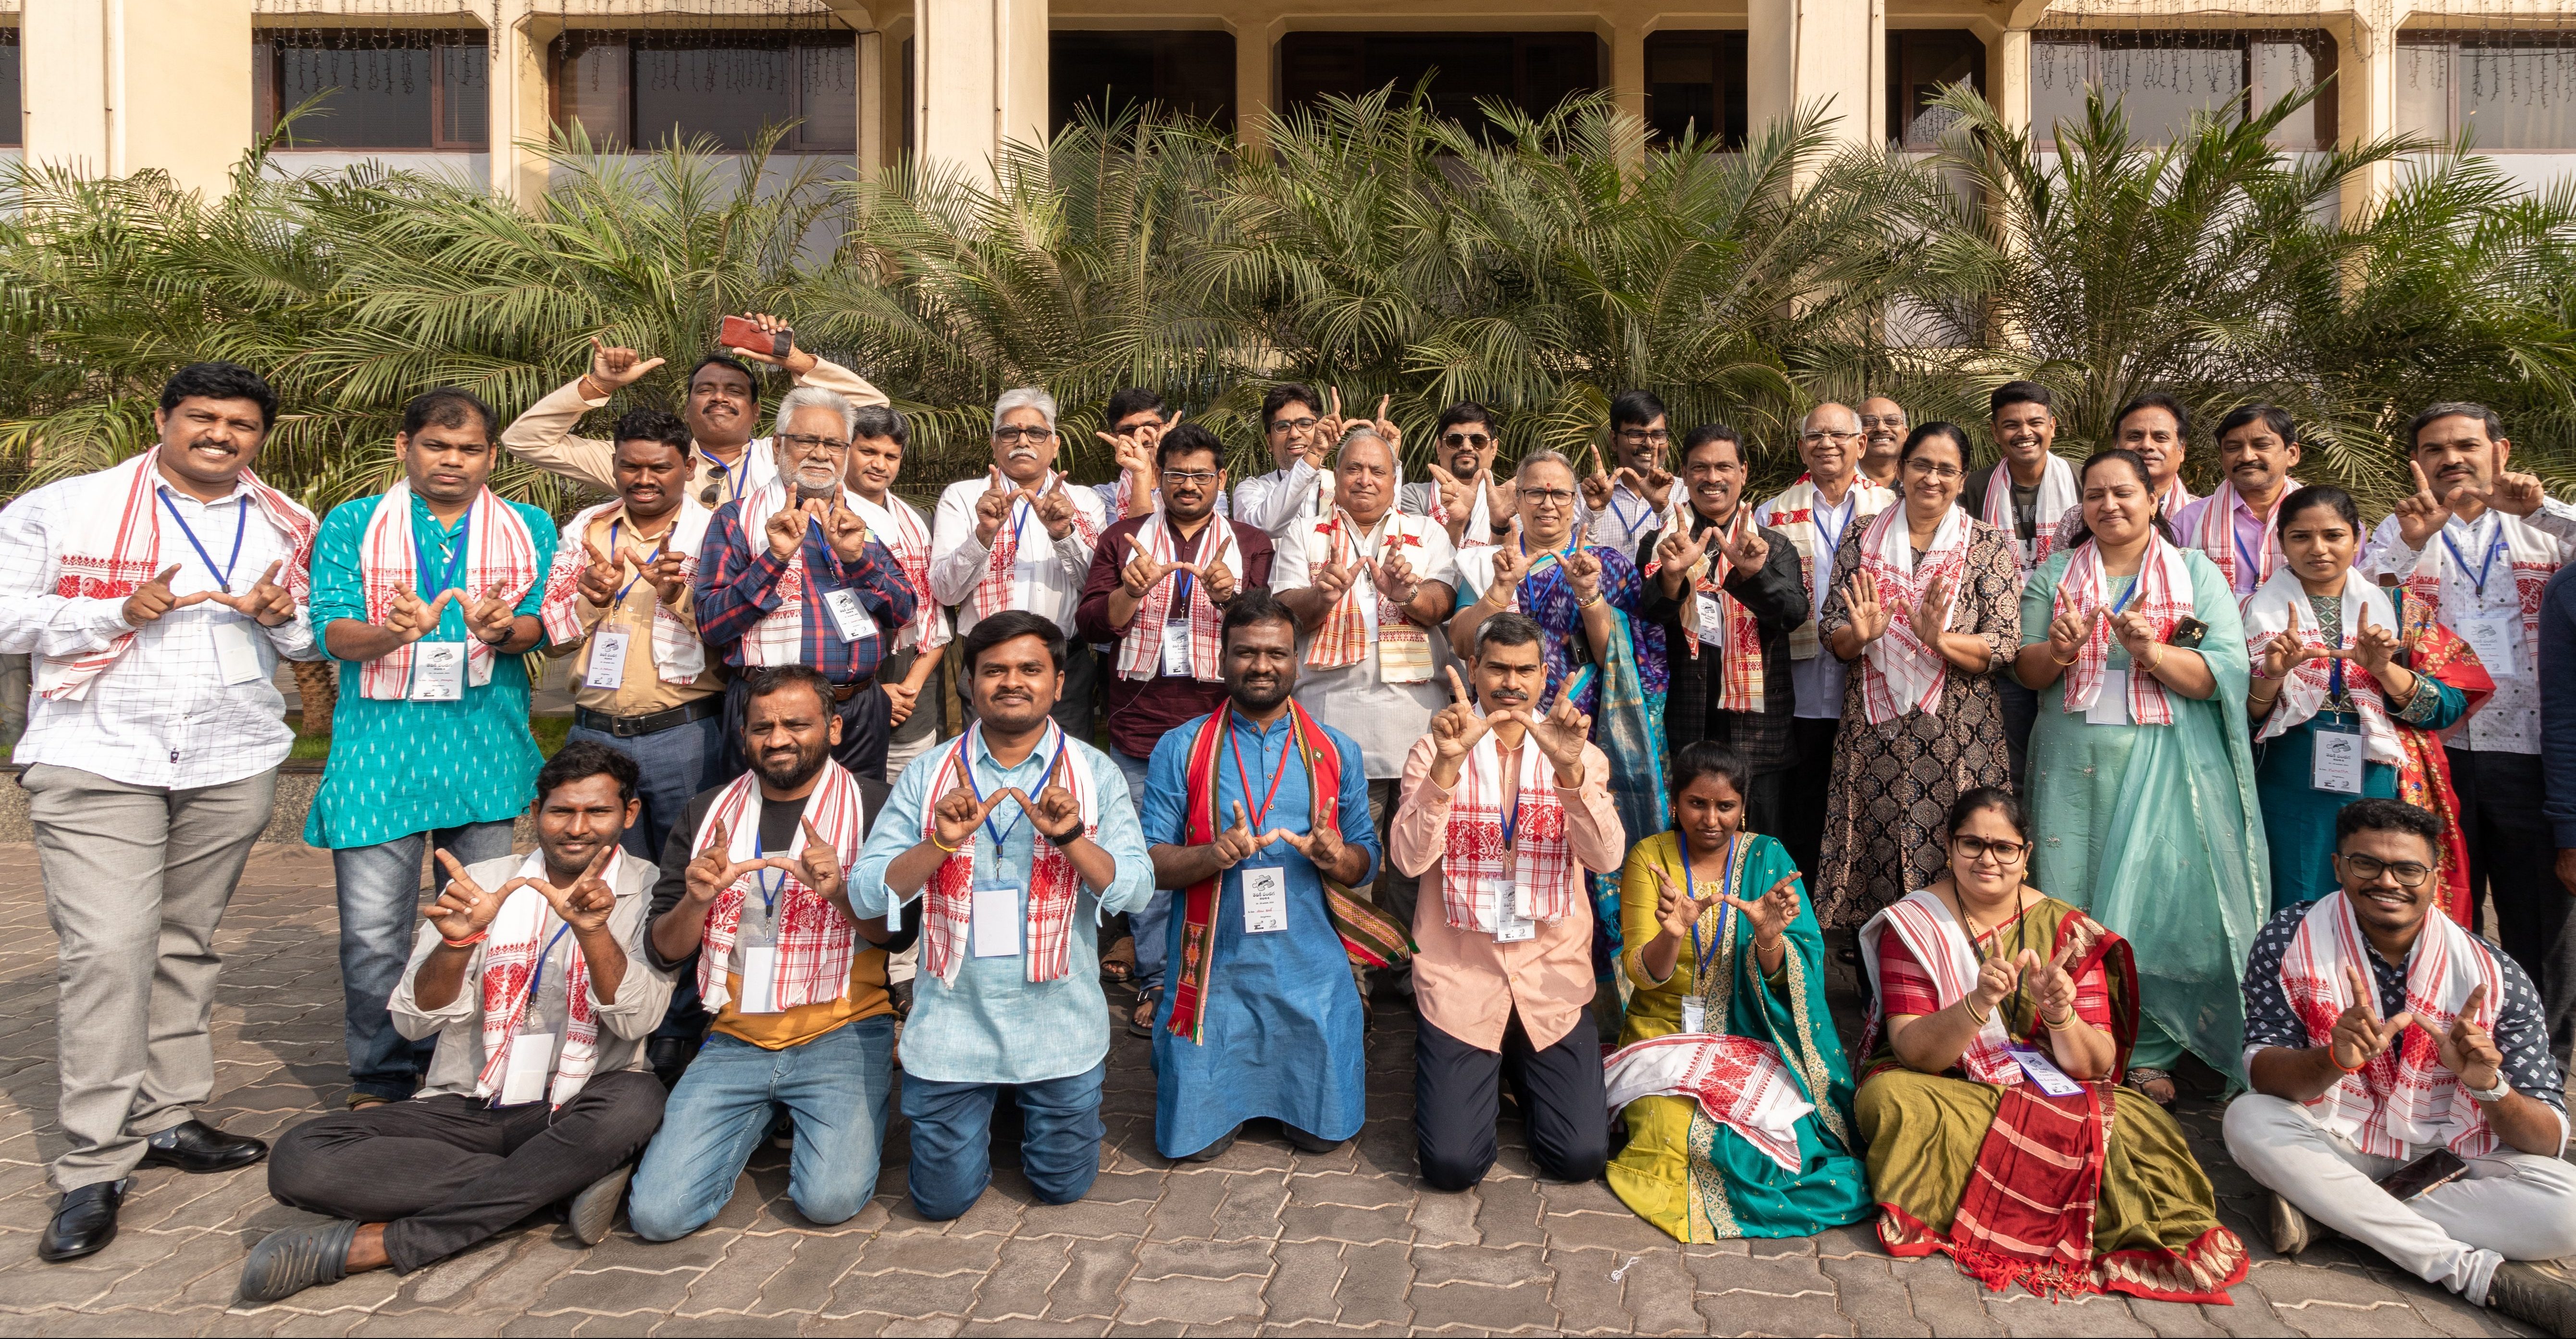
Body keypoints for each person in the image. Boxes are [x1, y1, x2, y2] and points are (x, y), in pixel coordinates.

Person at [0, 362, 319, 1262]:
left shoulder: (285, 520)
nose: (221, 435)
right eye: (203, 417)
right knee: (109, 950)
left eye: (242, 424)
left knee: (184, 938)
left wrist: (278, 616)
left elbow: (302, 636)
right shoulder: (67, 508)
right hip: (99, 748)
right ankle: (95, 1163)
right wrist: (110, 610)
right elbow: (4, 613)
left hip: (229, 751)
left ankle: (168, 1113)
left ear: (262, 436)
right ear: (163, 420)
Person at [243, 744, 672, 1302]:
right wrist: (457, 943)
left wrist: (594, 931)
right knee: (301, 1156)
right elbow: (413, 1022)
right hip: (466, 1102)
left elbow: (640, 1018)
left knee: (638, 1099)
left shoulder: (652, 889)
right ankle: (557, 1183)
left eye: (597, 813)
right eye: (561, 811)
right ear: (536, 810)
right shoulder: (482, 880)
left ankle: (387, 1243)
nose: (577, 828)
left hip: (573, 1104)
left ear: (629, 815)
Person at [1857, 789, 2248, 1302]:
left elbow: (2096, 1066)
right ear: (1949, 848)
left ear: (2026, 855)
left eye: (2003, 848)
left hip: (2051, 1088)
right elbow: (1913, 1052)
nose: (1986, 860)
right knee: (1891, 1102)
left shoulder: (2066, 930)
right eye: (1971, 844)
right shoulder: (1912, 925)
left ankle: (1989, 1208)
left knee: (2140, 1124)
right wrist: (1977, 1003)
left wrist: (2060, 1015)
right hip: (1945, 1084)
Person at [2227, 798, 2576, 1330]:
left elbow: (2547, 1136)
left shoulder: (2494, 974)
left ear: (2435, 876)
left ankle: (2329, 1214)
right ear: (2337, 867)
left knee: (2566, 1209)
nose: (2386, 881)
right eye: (2365, 864)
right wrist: (2331, 1061)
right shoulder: (2288, 938)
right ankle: (2472, 1274)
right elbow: (2260, 1071)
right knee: (2247, 1118)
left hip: (2450, 1158)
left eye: (2408, 869)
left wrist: (2488, 1088)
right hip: (2336, 1142)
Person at [852, 612, 1153, 1220]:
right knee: (941, 1202)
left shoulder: (1092, 774)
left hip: (1058, 1027)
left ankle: (1019, 1106)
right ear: (968, 683)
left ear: (1058, 684)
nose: (1011, 681)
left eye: (1029, 669)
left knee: (1061, 1187)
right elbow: (865, 894)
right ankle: (997, 1104)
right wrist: (938, 843)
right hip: (952, 1028)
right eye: (994, 670)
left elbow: (1138, 892)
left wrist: (1070, 836)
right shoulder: (927, 773)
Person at [308, 388, 559, 1109]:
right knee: (373, 936)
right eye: (437, 446)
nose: (453, 460)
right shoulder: (354, 523)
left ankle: (457, 1068)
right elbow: (330, 629)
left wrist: (498, 628)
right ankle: (381, 1076)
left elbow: (540, 626)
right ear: (404, 446)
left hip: (484, 750)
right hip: (376, 759)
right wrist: (392, 633)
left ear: (489, 456)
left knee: (477, 922)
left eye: (469, 448)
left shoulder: (529, 527)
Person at [625, 666, 914, 1239]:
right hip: (735, 1035)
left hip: (845, 1031)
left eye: (795, 724)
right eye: (763, 726)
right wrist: (696, 903)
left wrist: (837, 892)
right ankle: (760, 1116)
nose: (777, 738)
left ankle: (793, 1114)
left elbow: (898, 936)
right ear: (743, 736)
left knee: (828, 1202)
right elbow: (664, 951)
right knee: (658, 1217)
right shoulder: (706, 813)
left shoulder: (876, 807)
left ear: (833, 728)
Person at [2015, 447, 2265, 1105]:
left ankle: (2150, 1046)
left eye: (2123, 492)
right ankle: (2077, 1032)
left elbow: (2222, 675)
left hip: (2169, 764)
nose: (2109, 505)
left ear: (2155, 498)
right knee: (2072, 898)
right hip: (2072, 763)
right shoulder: (2056, 572)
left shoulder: (2194, 572)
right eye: (2095, 494)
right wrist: (2062, 651)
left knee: (2166, 907)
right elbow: (2028, 669)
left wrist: (2152, 652)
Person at [2364, 402, 2576, 1060]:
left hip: (2533, 753)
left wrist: (2538, 509)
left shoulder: (2549, 529)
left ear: (2501, 451)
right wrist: (2408, 540)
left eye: (2466, 446)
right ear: (2417, 462)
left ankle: (2542, 1064)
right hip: (2434, 755)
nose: (2451, 459)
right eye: (2434, 449)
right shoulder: (2401, 530)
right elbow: (2352, 593)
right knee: (2436, 915)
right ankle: (2439, 1065)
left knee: (2541, 921)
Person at [1139, 592, 1381, 1159]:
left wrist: (1334, 857)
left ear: (1297, 660)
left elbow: (1365, 858)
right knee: (1191, 1149)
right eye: (1246, 653)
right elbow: (1150, 858)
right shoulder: (1182, 748)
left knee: (1324, 1139)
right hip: (1214, 972)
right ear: (1222, 657)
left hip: (1310, 970)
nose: (1262, 666)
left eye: (1276, 653)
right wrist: (1211, 856)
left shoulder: (1335, 751)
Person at [1390, 616, 1626, 1190]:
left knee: (1577, 1158)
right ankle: (1482, 1066)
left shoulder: (1578, 753)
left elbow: (1606, 857)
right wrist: (1447, 766)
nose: (1510, 682)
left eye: (1524, 670)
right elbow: (1406, 860)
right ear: (1473, 670)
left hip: (1550, 980)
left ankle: (1513, 1065)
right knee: (1451, 1168)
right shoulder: (1433, 749)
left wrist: (1569, 769)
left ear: (1544, 676)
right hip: (1461, 978)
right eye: (1496, 667)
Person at [1604, 743, 1871, 1242]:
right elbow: (1642, 975)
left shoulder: (1767, 857)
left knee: (1792, 1139)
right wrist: (1673, 931)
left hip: (1746, 1031)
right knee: (1674, 1136)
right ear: (1675, 802)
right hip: (1661, 1033)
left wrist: (1769, 939)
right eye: (1695, 804)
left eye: (1724, 806)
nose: (1710, 819)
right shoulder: (1650, 857)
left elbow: (1799, 973)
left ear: (1742, 807)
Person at [1077, 422, 1275, 1034]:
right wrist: (1128, 595)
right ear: (1157, 478)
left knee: (1232, 852)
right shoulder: (1123, 537)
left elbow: (1267, 632)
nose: (1188, 486)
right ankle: (1161, 980)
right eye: (1176, 474)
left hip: (1225, 727)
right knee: (1152, 860)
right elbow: (1091, 626)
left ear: (1222, 480)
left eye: (1201, 475)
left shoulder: (1249, 541)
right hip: (1141, 727)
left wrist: (1230, 597)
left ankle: (1231, 976)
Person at [1450, 449, 1668, 940]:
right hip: (1502, 724)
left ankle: (1583, 965)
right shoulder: (1487, 560)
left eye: (1559, 493)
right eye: (1535, 492)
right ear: (1517, 498)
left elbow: (1621, 658)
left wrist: (1590, 595)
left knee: (1586, 837)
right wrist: (1499, 587)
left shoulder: (1604, 562)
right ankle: (1506, 947)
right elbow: (1463, 643)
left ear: (1575, 501)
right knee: (1511, 835)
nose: (1547, 503)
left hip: (1581, 724)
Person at [1812, 425, 2019, 932]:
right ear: (1901, 470)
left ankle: (1956, 982)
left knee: (1960, 851)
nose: (1931, 478)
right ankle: (1876, 989)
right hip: (1873, 735)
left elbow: (2004, 644)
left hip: (1959, 738)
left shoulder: (1986, 544)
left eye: (1945, 469)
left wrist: (1940, 641)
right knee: (1874, 850)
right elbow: (1831, 632)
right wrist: (1859, 636)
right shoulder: (1862, 535)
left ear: (1961, 479)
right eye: (1921, 465)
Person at [1273, 425, 1459, 988]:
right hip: (1332, 721)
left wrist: (1407, 595)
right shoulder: (1304, 533)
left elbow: (1442, 603)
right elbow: (1285, 613)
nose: (1365, 479)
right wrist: (1321, 595)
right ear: (1336, 478)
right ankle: (1346, 968)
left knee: (1413, 855)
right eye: (1354, 468)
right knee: (1343, 852)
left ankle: (1403, 962)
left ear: (1394, 479)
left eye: (1378, 471)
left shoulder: (1425, 532)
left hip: (1414, 722)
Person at [2245, 486, 2475, 911]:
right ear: (2281, 543)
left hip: (2380, 776)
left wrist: (2385, 669)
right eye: (2300, 537)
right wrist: (2271, 675)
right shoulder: (2250, 613)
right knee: (2295, 898)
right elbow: (2241, 716)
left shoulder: (2401, 610)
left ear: (2357, 538)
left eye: (2333, 535)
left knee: (2377, 895)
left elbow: (2449, 705)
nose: (2318, 549)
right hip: (2286, 777)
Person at [692, 387, 917, 782]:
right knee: (764, 829)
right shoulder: (738, 519)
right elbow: (712, 624)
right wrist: (773, 560)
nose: (820, 453)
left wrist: (858, 560)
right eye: (807, 440)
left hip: (859, 708)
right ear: (779, 444)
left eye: (833, 443)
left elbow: (904, 610)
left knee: (857, 828)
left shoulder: (862, 521)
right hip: (772, 713)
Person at [537, 407, 724, 859]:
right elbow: (553, 636)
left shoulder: (717, 532)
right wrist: (592, 603)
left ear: (689, 468)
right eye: (630, 466)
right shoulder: (587, 530)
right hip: (593, 735)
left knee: (687, 876)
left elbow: (733, 629)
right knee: (600, 880)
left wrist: (679, 597)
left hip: (686, 737)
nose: (644, 479)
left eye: (660, 467)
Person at [500, 315, 887, 508]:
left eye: (734, 391)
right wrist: (599, 386)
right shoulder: (648, 463)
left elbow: (874, 410)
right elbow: (523, 440)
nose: (719, 398)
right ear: (687, 410)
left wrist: (796, 360)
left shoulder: (790, 455)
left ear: (755, 412)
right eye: (706, 390)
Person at [1634, 426, 1808, 836]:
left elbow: (1793, 615)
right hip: (1685, 718)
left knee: (1759, 846)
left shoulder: (1772, 545)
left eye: (1724, 467)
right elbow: (1651, 614)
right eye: (1700, 468)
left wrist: (1755, 573)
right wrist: (1673, 576)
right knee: (1686, 841)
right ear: (1684, 474)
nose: (1712, 477)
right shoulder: (1663, 542)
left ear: (1743, 472)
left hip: (1757, 728)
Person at [1753, 403, 1895, 880]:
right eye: (1815, 435)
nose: (1826, 444)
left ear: (1860, 444)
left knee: (1869, 797)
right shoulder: (1770, 514)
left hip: (1875, 678)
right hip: (1798, 683)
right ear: (1800, 447)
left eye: (1838, 434)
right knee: (1804, 797)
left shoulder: (1893, 507)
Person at [927, 388, 1108, 738]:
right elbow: (946, 592)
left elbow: (1097, 590)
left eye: (1036, 433)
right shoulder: (963, 497)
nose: (1022, 441)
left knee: (1064, 773)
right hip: (988, 662)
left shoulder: (1084, 502)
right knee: (986, 771)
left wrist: (1064, 534)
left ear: (1054, 445)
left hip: (1063, 662)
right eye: (1010, 432)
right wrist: (983, 534)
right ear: (995, 444)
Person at [1960, 382, 2074, 787]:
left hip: (2068, 643)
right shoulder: (1975, 486)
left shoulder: (2080, 480)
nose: (2024, 432)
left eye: (2035, 422)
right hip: (2001, 650)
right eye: (2011, 425)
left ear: (2053, 426)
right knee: (2013, 764)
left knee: (2065, 760)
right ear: (1995, 432)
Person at [843, 404, 949, 780]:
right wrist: (872, 697)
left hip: (911, 700)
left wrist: (910, 686)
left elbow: (935, 615)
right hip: (848, 701)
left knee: (910, 814)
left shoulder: (917, 521)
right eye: (868, 451)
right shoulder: (821, 516)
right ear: (845, 449)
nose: (880, 464)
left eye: (891, 456)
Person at [2043, 392, 2201, 553]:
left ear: (2181, 451)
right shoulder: (2078, 518)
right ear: (2116, 446)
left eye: (2160, 438)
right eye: (2134, 437)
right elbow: (2054, 575)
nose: (2146, 445)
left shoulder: (2203, 515)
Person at [2176, 403, 2304, 598]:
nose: (2246, 456)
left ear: (2292, 454)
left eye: (2262, 445)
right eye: (2233, 448)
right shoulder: (2190, 521)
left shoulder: (2328, 520)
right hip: (2215, 628)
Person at [1577, 390, 1682, 556]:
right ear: (1614, 440)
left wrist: (1663, 507)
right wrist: (1594, 511)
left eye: (1658, 435)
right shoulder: (1581, 498)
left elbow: (1697, 555)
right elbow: (1568, 558)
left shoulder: (1687, 493)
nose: (1649, 443)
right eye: (1637, 434)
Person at [1407, 402, 1516, 548]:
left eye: (1478, 440)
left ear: (1494, 449)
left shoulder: (1513, 502)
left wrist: (1500, 524)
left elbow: (1515, 565)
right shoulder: (1415, 496)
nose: (1466, 447)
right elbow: (1416, 557)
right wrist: (1456, 523)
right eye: (1454, 440)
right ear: (1439, 448)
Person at [1231, 383, 1329, 538]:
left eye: (1304, 424)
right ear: (1269, 442)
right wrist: (1315, 453)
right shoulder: (1251, 490)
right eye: (1283, 427)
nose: (1295, 434)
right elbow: (1263, 529)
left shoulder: (1343, 485)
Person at [1856, 395, 1908, 489]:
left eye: (1892, 421)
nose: (1881, 428)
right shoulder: (1840, 478)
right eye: (1869, 422)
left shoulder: (1921, 479)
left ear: (1906, 434)